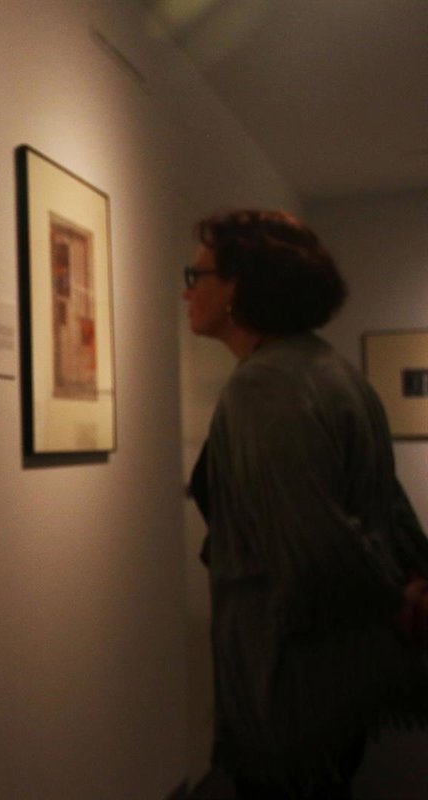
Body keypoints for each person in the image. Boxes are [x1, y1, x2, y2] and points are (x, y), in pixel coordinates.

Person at [184, 209, 428, 799]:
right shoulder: (330, 369)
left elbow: (313, 550)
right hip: (336, 677)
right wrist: (410, 581)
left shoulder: (264, 384)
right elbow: (387, 505)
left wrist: (394, 602)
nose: (187, 291)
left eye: (197, 275)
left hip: (290, 677)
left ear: (241, 285)